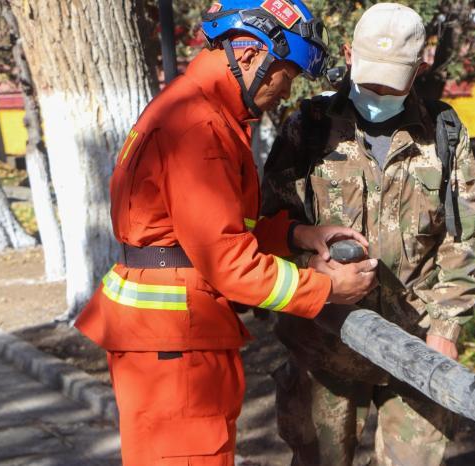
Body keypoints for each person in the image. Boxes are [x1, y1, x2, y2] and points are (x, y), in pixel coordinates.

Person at [74, 1, 377, 464]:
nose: (286, 91)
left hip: (169, 342)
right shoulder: (200, 129)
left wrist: (298, 235)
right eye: (287, 75)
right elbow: (229, 264)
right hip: (178, 351)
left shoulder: (195, 110)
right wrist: (326, 287)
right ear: (250, 52)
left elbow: (211, 232)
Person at [261, 3, 475, 465]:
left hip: (416, 346)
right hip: (324, 343)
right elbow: (271, 226)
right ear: (348, 54)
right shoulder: (309, 128)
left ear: (420, 67)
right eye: (372, 77)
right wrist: (310, 268)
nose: (380, 91)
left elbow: (464, 236)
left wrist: (446, 327)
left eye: (392, 80)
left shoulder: (444, 133)